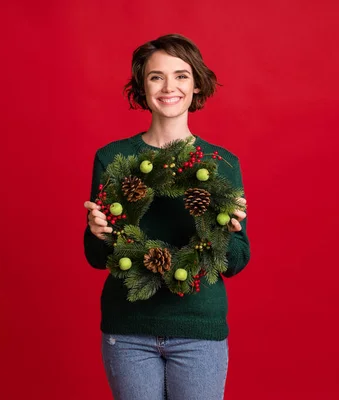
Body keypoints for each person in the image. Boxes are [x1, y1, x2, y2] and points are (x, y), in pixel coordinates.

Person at [83, 33, 250, 400]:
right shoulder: (112, 158)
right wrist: (98, 234)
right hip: (128, 330)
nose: (169, 86)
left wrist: (226, 236)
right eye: (156, 76)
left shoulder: (221, 164)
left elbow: (237, 260)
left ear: (196, 85)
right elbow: (97, 259)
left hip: (198, 330)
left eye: (181, 75)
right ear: (143, 87)